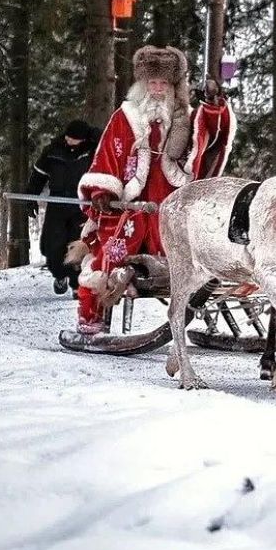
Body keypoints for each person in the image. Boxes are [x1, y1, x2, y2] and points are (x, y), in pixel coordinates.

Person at [75, 45, 235, 334]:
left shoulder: (185, 118)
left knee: (188, 252)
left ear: (173, 85)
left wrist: (213, 103)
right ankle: (91, 316)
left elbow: (212, 137)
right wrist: (102, 190)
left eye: (164, 83)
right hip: (131, 207)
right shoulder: (125, 117)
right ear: (143, 84)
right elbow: (107, 154)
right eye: (153, 83)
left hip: (169, 206)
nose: (158, 89)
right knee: (109, 254)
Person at [24, 119, 101, 296]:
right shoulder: (53, 150)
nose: (68, 139)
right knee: (53, 244)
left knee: (78, 245)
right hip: (57, 204)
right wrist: (31, 197)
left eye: (73, 138)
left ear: (82, 139)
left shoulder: (93, 151)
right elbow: (39, 174)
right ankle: (59, 275)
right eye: (67, 136)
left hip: (82, 206)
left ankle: (77, 284)